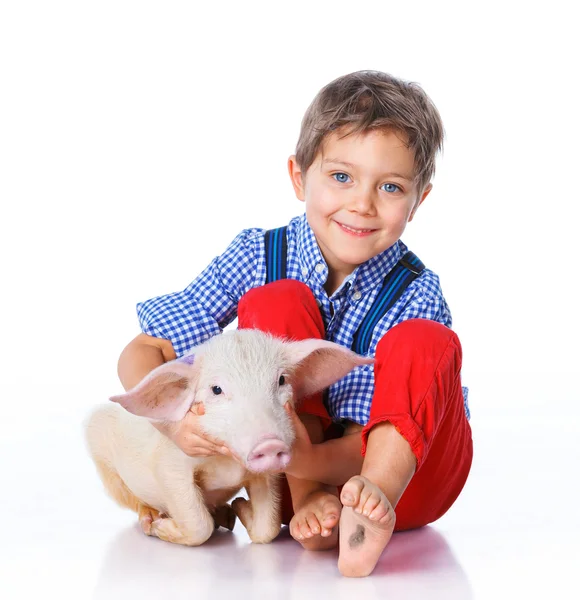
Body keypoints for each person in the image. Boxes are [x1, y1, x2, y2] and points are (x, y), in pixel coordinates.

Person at [117, 70, 473, 578]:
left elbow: (377, 434)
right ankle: (310, 505)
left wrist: (305, 461)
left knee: (427, 341)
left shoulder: (416, 291)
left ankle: (369, 511)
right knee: (276, 301)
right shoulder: (258, 255)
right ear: (299, 176)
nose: (362, 204)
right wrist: (177, 425)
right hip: (282, 470)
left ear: (418, 201)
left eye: (391, 187)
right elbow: (143, 350)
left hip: (411, 479)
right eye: (342, 177)